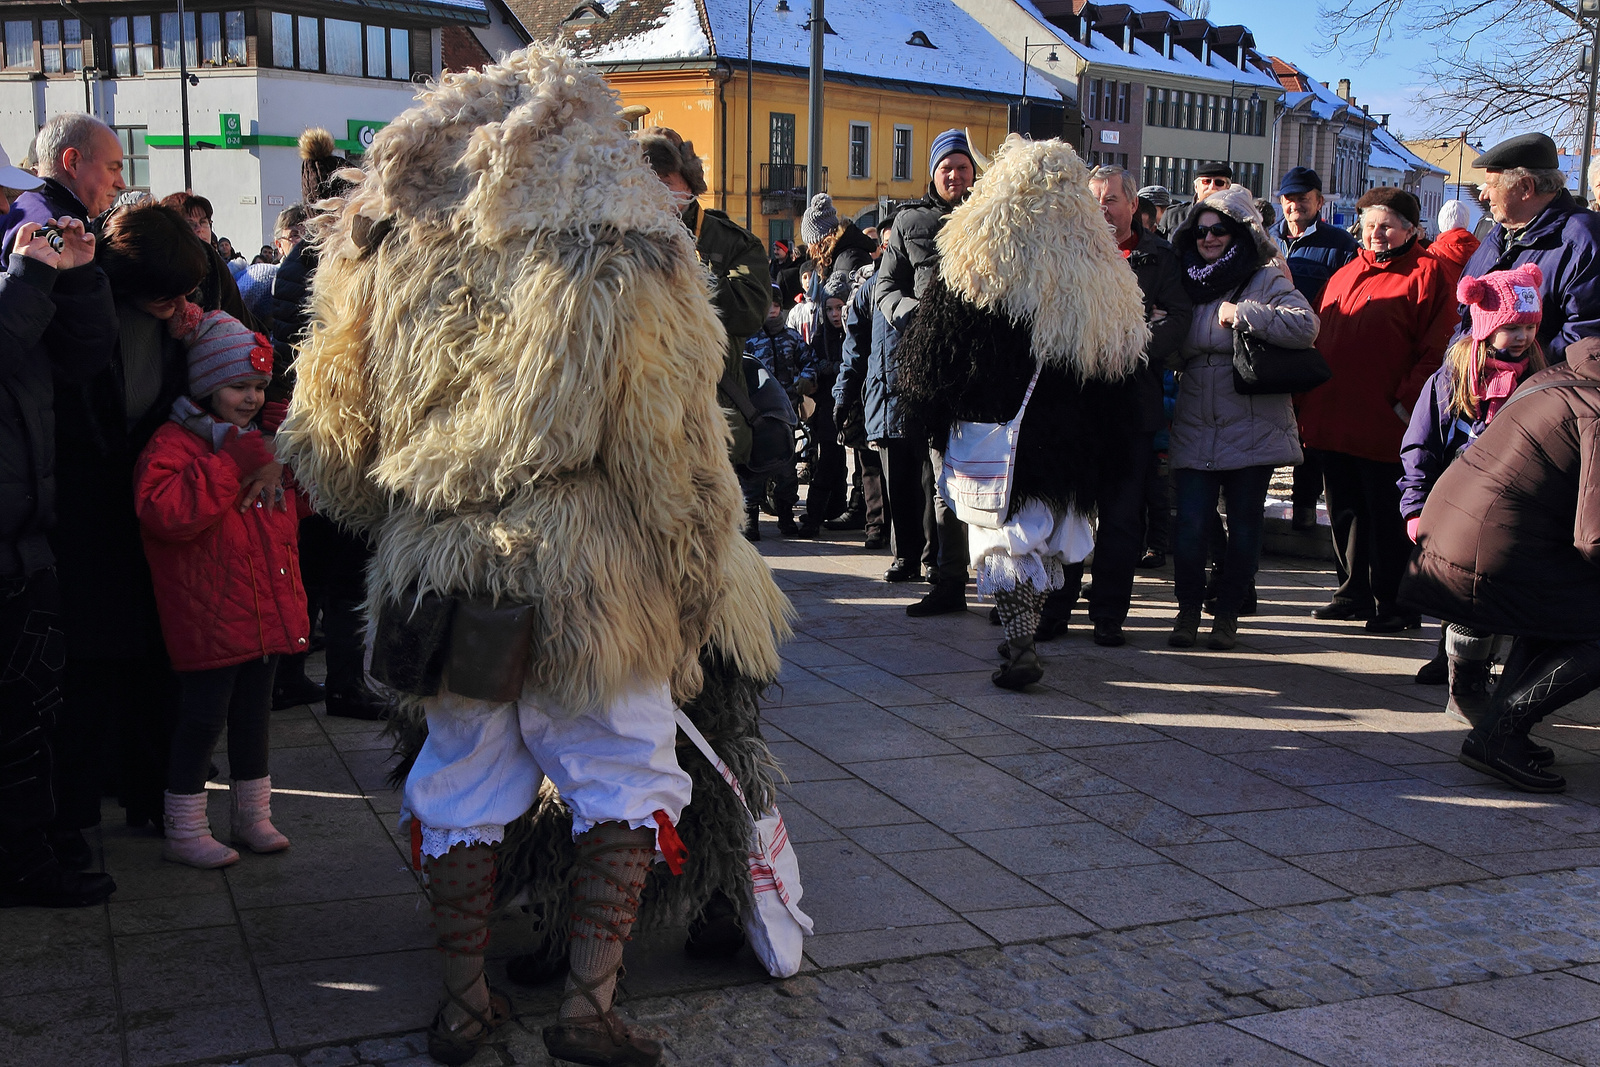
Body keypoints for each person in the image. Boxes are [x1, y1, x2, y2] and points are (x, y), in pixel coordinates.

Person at [276, 46, 792, 1067]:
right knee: (620, 774)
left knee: (461, 779)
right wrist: (692, 592)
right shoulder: (630, 247)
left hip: (439, 559)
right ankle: (588, 1003)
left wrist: (414, 514)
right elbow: (675, 460)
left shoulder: (379, 245)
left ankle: (463, 1002)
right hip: (592, 570)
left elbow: (328, 445)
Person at [896, 135, 1146, 688]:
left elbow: (934, 352)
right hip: (1066, 439)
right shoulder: (1101, 266)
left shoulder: (981, 254)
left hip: (997, 429)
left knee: (1004, 539)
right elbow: (1123, 364)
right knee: (1046, 535)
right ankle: (1027, 632)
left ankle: (1020, 641)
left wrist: (935, 416)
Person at [134, 303, 304, 868]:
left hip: (264, 608)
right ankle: (185, 826)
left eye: (258, 385)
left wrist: (286, 463)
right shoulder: (175, 444)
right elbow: (166, 513)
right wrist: (230, 464)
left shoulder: (261, 444)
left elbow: (287, 514)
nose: (251, 397)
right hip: (210, 614)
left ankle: (252, 816)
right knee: (202, 720)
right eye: (238, 386)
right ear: (207, 384)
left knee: (255, 717)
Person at [1400, 333, 1600, 794]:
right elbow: (1594, 536)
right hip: (1485, 548)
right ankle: (1500, 732)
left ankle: (1498, 728)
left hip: (1461, 532)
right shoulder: (1596, 409)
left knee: (1558, 612)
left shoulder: (1565, 377)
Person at [0, 141, 119, 909]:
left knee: (28, 711)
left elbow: (83, 357)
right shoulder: (16, 267)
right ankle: (23, 865)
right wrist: (33, 269)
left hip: (25, 534)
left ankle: (30, 851)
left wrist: (76, 277)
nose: (15, 213)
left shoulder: (24, 264)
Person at [1042, 165, 1191, 646]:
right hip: (1077, 405)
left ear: (1133, 206)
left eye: (1111, 200)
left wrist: (1136, 343)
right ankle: (1057, 608)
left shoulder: (1158, 257)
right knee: (1067, 515)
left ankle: (1108, 614)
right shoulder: (1069, 253)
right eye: (1095, 200)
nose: (1102, 209)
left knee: (1122, 518)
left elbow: (1180, 318)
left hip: (1132, 403)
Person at [1167, 185, 1319, 650]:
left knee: (1245, 525)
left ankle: (1228, 612)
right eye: (1201, 231)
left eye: (1220, 231)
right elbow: (1172, 339)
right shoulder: (1184, 279)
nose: (1209, 238)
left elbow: (1306, 326)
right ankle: (1188, 609)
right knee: (1190, 523)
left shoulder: (1265, 276)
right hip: (1196, 413)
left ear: (1239, 234)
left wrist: (1246, 314)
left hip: (1252, 417)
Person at [1298, 187, 1456, 633]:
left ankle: (1397, 604)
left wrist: (1407, 404)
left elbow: (1438, 347)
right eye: (1369, 226)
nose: (1376, 234)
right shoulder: (1347, 272)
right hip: (1335, 416)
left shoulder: (1430, 274)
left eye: (1385, 225)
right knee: (1344, 509)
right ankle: (1351, 592)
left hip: (1388, 423)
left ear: (1411, 229)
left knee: (1387, 516)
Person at [266, 131, 381, 718]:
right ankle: (342, 684)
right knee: (340, 563)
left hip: (309, 423)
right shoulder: (334, 262)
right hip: (333, 425)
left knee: (311, 559)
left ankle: (292, 673)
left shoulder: (299, 260)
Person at [1399, 264, 1546, 721]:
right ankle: (1463, 680)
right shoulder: (1453, 380)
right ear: (1486, 328)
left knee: (1505, 598)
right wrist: (1415, 507)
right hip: (1459, 506)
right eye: (1510, 328)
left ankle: (1492, 676)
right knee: (1467, 597)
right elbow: (1420, 445)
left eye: (1528, 327)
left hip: (1519, 510)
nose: (1521, 336)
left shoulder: (1539, 378)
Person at [877, 128, 977, 615]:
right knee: (945, 481)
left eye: (962, 166)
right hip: (934, 367)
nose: (955, 175)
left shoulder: (995, 218)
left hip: (989, 370)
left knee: (997, 481)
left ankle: (1006, 582)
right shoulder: (910, 221)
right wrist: (915, 313)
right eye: (946, 168)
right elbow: (884, 288)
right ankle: (949, 581)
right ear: (933, 174)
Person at [638, 127, 770, 469]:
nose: (655, 192)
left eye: (665, 181)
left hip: (710, 418)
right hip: (641, 424)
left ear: (689, 185)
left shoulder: (732, 243)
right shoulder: (621, 240)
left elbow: (749, 311)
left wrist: (686, 272)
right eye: (645, 181)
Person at [1455, 133, 1600, 364]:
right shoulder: (1498, 234)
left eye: (1492, 185)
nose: (1483, 195)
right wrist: (1459, 365)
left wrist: (1518, 374)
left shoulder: (1584, 240)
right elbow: (1465, 316)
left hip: (1535, 394)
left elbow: (1586, 335)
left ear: (1525, 187)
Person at [1272, 167, 1360, 533]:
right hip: (1270, 349)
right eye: (1289, 200)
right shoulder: (1264, 240)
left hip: (1314, 348)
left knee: (1310, 434)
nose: (1295, 207)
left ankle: (1304, 508)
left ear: (1319, 202)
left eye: (1303, 200)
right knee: (1271, 426)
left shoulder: (1340, 245)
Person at [741, 290, 813, 537]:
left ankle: (786, 516)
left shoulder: (792, 338)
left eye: (776, 305)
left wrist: (804, 380)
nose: (772, 310)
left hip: (786, 415)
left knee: (786, 468)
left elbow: (809, 362)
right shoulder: (750, 340)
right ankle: (750, 519)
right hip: (756, 415)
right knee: (754, 467)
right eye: (767, 305)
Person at [797, 277, 851, 535]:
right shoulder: (822, 336)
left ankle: (826, 511)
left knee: (839, 462)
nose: (834, 314)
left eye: (839, 308)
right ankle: (823, 511)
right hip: (827, 407)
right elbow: (811, 360)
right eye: (829, 309)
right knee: (829, 459)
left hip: (851, 405)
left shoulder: (855, 330)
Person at [1158, 161, 1234, 239]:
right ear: (1196, 187)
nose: (1212, 187)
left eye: (1219, 183)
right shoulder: (1174, 214)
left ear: (1227, 188)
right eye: (1206, 182)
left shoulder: (1234, 218)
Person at [1428, 199, 1481, 288]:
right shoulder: (1482, 251)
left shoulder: (1432, 253)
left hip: (1442, 301)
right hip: (1470, 300)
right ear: (1466, 221)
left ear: (1441, 221)